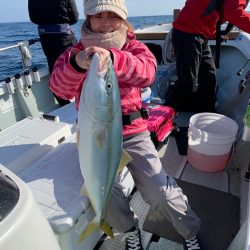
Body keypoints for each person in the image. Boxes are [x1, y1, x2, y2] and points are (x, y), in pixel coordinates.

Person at [49, 0, 202, 249]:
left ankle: (189, 231)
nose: (105, 21)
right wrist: (77, 64)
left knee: (159, 190)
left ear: (123, 20)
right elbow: (58, 87)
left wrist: (114, 58)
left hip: (133, 132)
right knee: (105, 191)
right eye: (99, 16)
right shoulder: (74, 53)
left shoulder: (134, 47)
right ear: (88, 18)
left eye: (113, 15)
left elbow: (148, 71)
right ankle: (129, 230)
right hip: (92, 135)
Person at [165, 0, 250, 113]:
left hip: (200, 34)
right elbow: (233, 11)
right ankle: (164, 116)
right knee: (187, 81)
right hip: (187, 33)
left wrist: (215, 34)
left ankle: (207, 113)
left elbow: (211, 11)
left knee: (209, 77)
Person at [28, 0, 79, 106]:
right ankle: (79, 99)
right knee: (75, 66)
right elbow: (74, 17)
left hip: (47, 39)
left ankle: (62, 101)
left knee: (54, 67)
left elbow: (33, 18)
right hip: (65, 38)